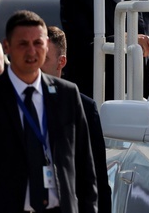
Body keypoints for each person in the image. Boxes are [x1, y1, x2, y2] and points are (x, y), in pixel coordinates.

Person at [0, 10, 97, 213]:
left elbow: (86, 172)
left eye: (38, 43)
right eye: (23, 44)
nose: (31, 51)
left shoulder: (67, 95)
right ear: (7, 46)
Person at [45, 26, 112, 213]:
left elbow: (97, 179)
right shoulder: (12, 103)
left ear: (61, 62)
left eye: (44, 58)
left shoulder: (83, 108)